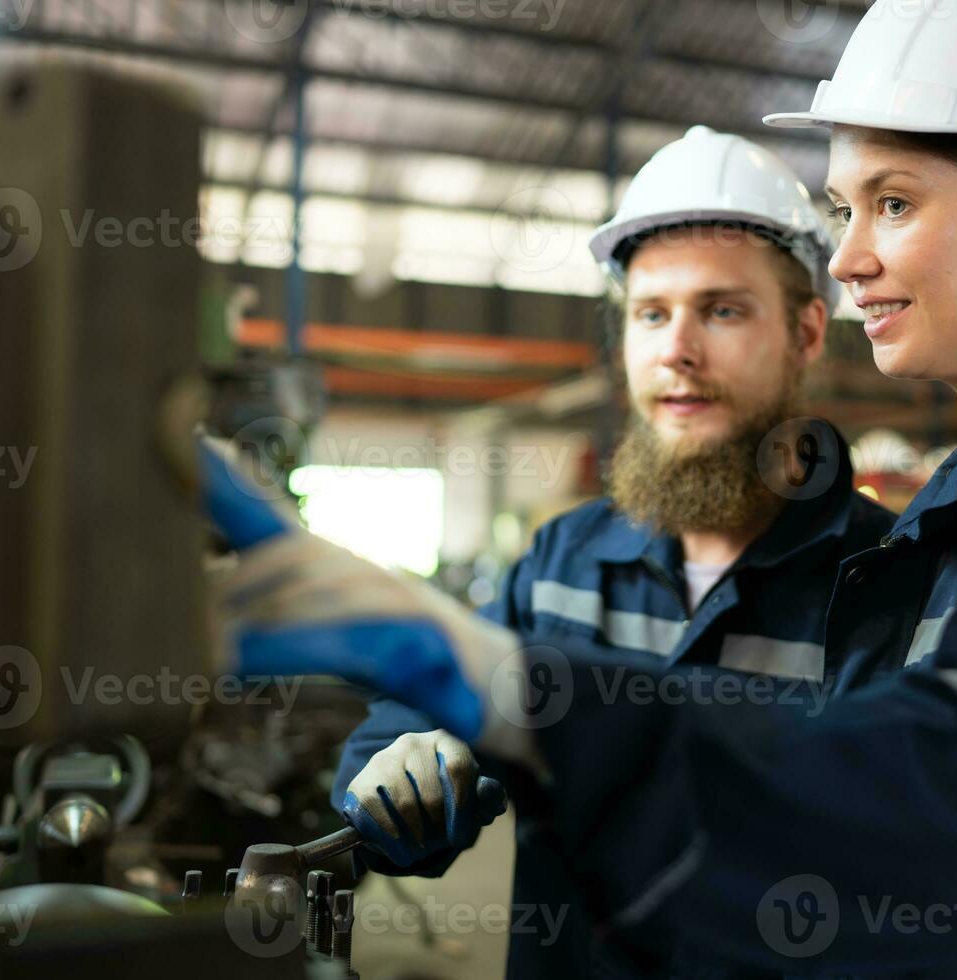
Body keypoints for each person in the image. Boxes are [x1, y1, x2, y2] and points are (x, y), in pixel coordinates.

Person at [213, 3, 957, 976]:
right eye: (842, 208)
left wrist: (514, 690)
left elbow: (946, 800)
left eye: (893, 203)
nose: (852, 256)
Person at [324, 126, 896, 975]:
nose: (678, 349)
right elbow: (414, 732)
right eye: (651, 314)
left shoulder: (888, 582)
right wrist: (400, 780)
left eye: (723, 309)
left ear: (808, 332)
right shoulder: (563, 562)